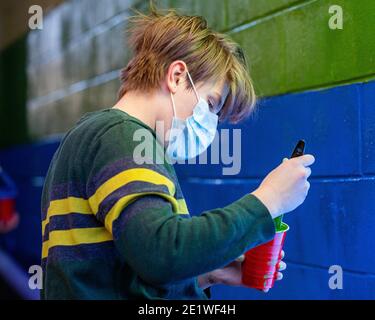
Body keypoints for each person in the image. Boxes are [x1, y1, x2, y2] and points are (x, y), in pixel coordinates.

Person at [40, 7, 314, 299]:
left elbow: (131, 269)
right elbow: (162, 253)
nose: (210, 124)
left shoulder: (98, 136)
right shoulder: (121, 136)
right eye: (211, 104)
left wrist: (207, 274)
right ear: (178, 76)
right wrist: (268, 200)